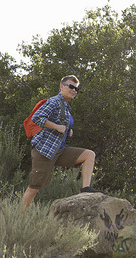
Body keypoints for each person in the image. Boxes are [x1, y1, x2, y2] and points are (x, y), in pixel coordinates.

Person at [22, 75, 102, 207]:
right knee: (34, 188)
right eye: (71, 86)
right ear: (62, 86)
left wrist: (68, 130)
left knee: (89, 155)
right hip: (44, 151)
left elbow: (62, 125)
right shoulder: (54, 101)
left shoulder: (66, 107)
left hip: (60, 150)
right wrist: (57, 127)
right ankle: (21, 218)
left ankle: (86, 189)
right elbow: (37, 117)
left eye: (76, 89)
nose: (74, 90)